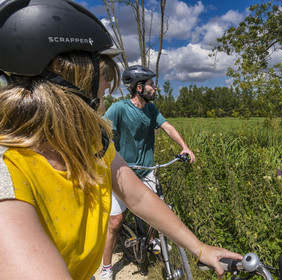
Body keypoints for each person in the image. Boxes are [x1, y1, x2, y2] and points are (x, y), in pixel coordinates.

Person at [0, 1, 242, 280]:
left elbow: (137, 194)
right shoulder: (9, 170)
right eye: (102, 74)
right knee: (114, 221)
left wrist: (199, 248)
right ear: (67, 73)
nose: (107, 85)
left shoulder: (93, 145)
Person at [100, 65, 196, 279]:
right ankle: (106, 268)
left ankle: (151, 240)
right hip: (122, 174)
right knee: (115, 222)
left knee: (158, 214)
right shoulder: (119, 109)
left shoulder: (151, 110)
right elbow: (102, 131)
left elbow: (167, 126)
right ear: (140, 87)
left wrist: (185, 146)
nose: (156, 88)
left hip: (147, 172)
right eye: (152, 84)